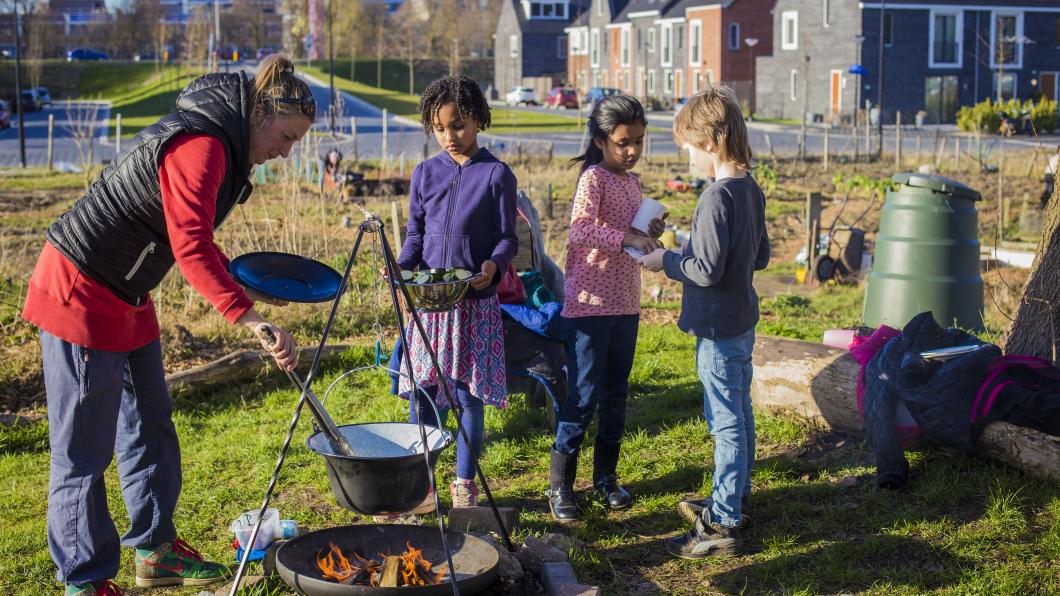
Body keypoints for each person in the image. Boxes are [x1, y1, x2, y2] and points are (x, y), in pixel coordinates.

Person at [21, 54, 314, 595]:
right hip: (80, 288)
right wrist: (250, 320)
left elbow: (194, 235)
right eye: (286, 136)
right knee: (83, 451)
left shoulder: (225, 145)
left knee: (150, 424)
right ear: (260, 114)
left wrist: (241, 282)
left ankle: (155, 551)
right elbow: (190, 249)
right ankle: (84, 581)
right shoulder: (201, 145)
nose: (285, 151)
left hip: (130, 294)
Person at [639, 86, 770, 559]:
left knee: (725, 422)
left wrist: (666, 260)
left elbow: (704, 270)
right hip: (741, 320)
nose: (688, 156)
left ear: (711, 143)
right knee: (741, 412)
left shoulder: (716, 198)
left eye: (688, 148)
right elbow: (761, 256)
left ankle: (723, 520)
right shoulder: (751, 189)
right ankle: (733, 495)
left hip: (716, 329)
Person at [395, 74, 518, 512]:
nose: (450, 135)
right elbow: (415, 235)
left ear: (479, 120)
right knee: (424, 395)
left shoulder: (496, 174)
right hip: (430, 309)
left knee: (468, 397)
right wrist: (402, 267)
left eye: (460, 125)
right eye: (440, 126)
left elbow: (508, 238)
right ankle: (423, 484)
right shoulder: (425, 173)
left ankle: (464, 484)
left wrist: (493, 265)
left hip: (474, 306)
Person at [546, 95, 665, 522]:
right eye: (623, 142)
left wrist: (648, 231)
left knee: (616, 396)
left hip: (626, 304)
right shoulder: (593, 179)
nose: (632, 151)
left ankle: (605, 479)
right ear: (600, 141)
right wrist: (626, 238)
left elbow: (627, 233)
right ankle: (560, 486)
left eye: (638, 141)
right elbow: (579, 230)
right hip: (590, 306)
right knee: (583, 397)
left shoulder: (633, 183)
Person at [1042, 145, 1059, 209]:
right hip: (1052, 174)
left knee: (1049, 188)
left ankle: (1043, 201)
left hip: (1047, 173)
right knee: (1051, 189)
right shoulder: (1058, 157)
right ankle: (1044, 203)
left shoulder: (1055, 156)